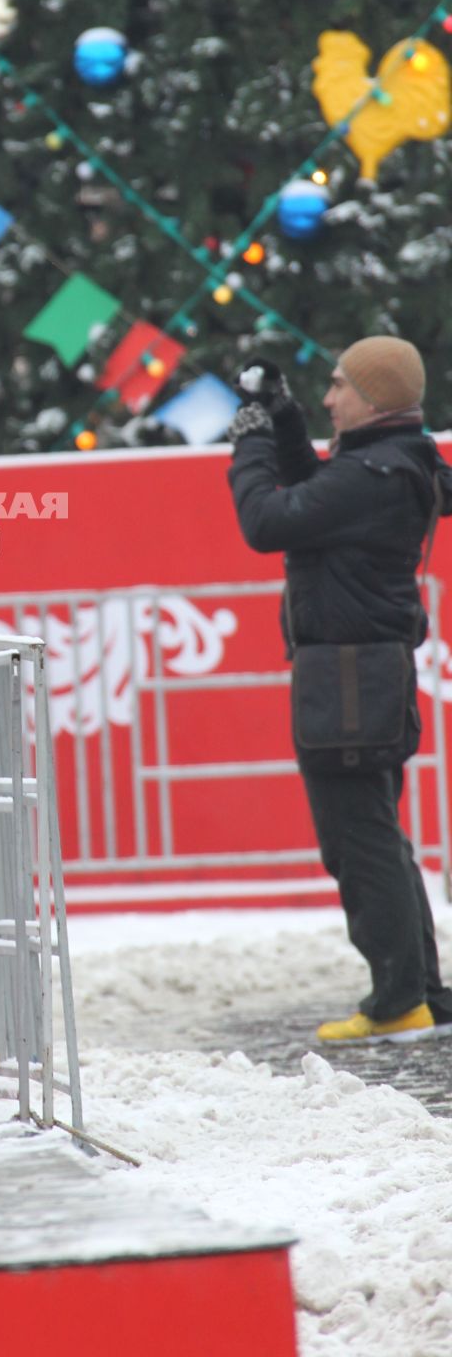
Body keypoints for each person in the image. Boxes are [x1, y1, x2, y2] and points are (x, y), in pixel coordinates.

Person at [227, 336, 452, 1044]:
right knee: (378, 837)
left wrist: (250, 438)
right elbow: (315, 490)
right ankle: (420, 992)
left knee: (359, 842)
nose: (329, 397)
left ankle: (396, 1001)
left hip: (350, 680)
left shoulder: (372, 476)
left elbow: (267, 520)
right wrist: (286, 420)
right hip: (365, 675)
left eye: (336, 387)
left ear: (375, 399)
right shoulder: (388, 465)